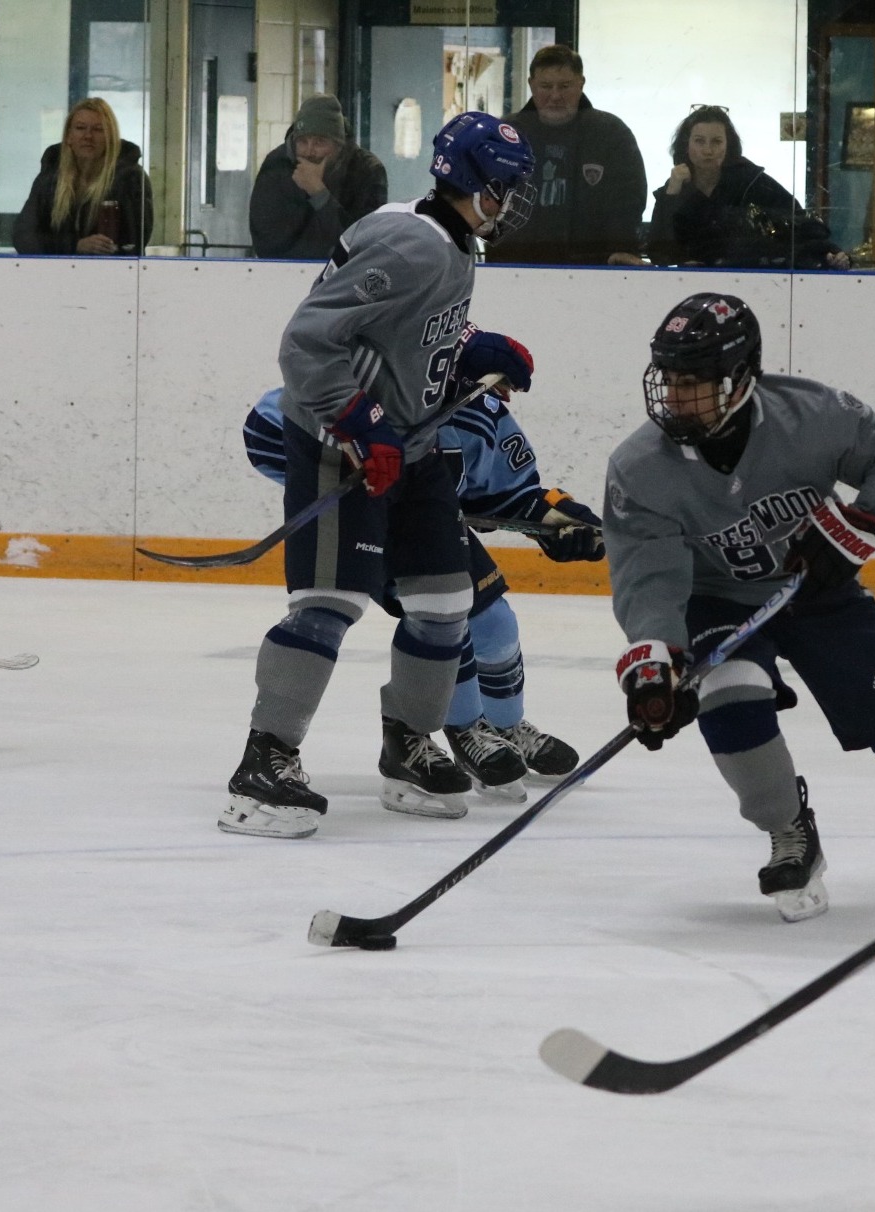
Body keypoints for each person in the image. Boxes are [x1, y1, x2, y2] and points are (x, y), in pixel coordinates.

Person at [602, 292, 875, 922]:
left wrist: (858, 525)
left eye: (693, 382)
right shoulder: (641, 467)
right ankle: (789, 830)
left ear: (741, 376)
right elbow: (648, 575)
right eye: (667, 380)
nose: (675, 397)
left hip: (819, 591)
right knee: (729, 696)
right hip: (716, 598)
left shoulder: (811, 414)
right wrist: (656, 659)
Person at [219, 111, 539, 841]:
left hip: (411, 445)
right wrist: (359, 422)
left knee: (445, 601)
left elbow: (399, 331)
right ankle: (263, 762)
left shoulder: (447, 240)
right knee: (329, 603)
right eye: (503, 187)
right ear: (466, 180)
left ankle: (407, 745)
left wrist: (470, 349)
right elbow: (307, 341)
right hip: (342, 442)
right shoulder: (408, 241)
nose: (510, 201)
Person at [241, 383, 601, 803]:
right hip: (363, 517)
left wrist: (555, 516)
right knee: (440, 611)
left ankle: (506, 726)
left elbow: (511, 489)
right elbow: (264, 429)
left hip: (431, 519)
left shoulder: (480, 409)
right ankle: (464, 729)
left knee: (495, 622)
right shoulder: (370, 388)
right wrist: (320, 474)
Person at [485, 44, 646, 267]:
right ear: (531, 85)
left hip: (593, 266)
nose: (555, 95)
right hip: (514, 265)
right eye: (546, 86)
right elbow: (481, 197)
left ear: (581, 83)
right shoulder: (506, 135)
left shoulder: (611, 134)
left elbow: (629, 201)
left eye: (565, 86)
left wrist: (623, 249)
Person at [647, 105, 849, 270]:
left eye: (716, 141)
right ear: (686, 145)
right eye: (699, 141)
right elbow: (658, 252)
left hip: (755, 279)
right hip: (687, 284)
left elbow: (798, 223)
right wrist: (671, 194)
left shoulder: (752, 181)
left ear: (729, 146)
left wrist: (830, 252)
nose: (708, 150)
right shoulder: (676, 187)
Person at [249, 94, 388, 261]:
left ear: (339, 145)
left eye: (320, 142)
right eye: (303, 142)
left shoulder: (367, 171)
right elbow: (266, 241)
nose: (309, 151)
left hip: (346, 276)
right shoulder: (278, 166)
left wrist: (319, 194)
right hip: (282, 273)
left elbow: (363, 244)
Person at [13, 98, 152, 256]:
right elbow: (23, 236)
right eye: (80, 128)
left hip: (109, 275)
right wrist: (75, 245)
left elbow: (133, 242)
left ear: (110, 138)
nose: (88, 136)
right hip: (54, 274)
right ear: (68, 137)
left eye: (98, 129)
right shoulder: (51, 177)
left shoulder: (130, 178)